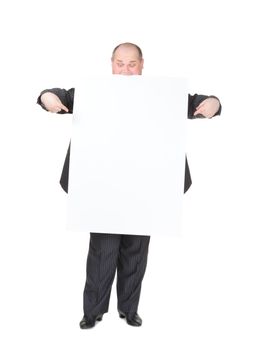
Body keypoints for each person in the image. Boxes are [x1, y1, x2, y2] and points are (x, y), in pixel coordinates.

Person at [37, 42, 221, 329]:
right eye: (119, 64)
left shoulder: (161, 95)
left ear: (142, 64)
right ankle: (92, 312)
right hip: (101, 189)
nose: (125, 70)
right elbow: (59, 95)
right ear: (111, 64)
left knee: (136, 253)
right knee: (102, 252)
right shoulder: (93, 92)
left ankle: (129, 309)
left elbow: (201, 101)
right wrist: (47, 96)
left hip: (148, 189)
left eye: (131, 64)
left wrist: (214, 103)